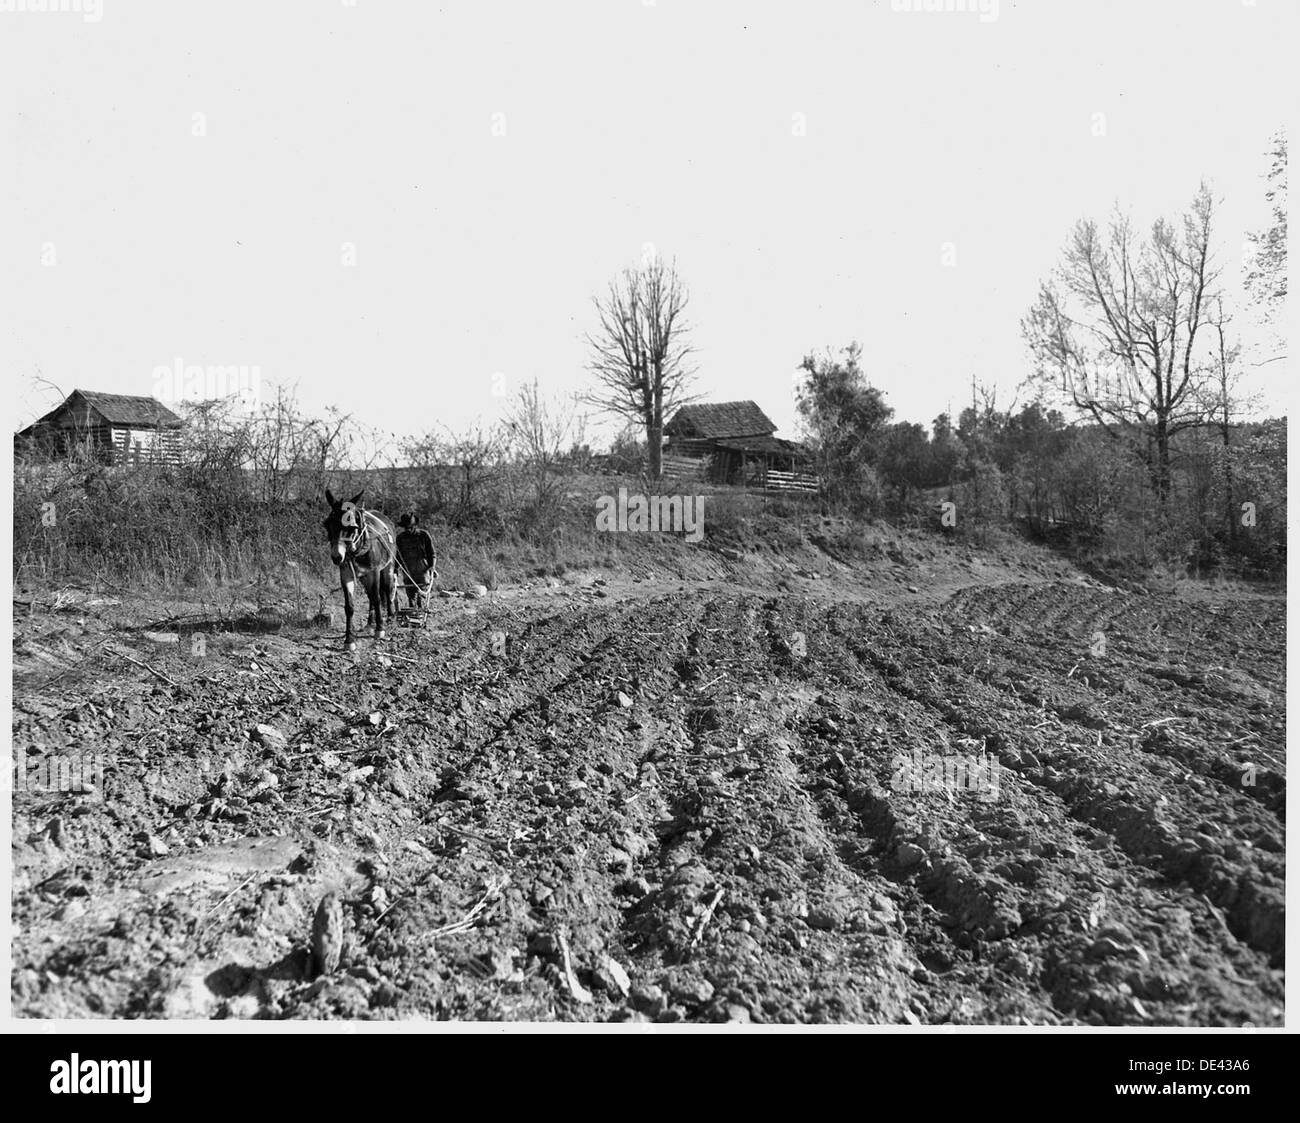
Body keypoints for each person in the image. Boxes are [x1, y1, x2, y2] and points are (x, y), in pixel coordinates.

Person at [395, 513, 437, 608]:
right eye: (406, 528)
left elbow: (432, 553)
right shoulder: (400, 538)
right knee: (411, 596)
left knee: (421, 594)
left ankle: (421, 614)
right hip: (407, 570)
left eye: (410, 527)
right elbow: (397, 556)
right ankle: (413, 615)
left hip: (422, 569)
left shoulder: (423, 535)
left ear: (414, 526)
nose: (408, 529)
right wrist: (395, 570)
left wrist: (432, 567)